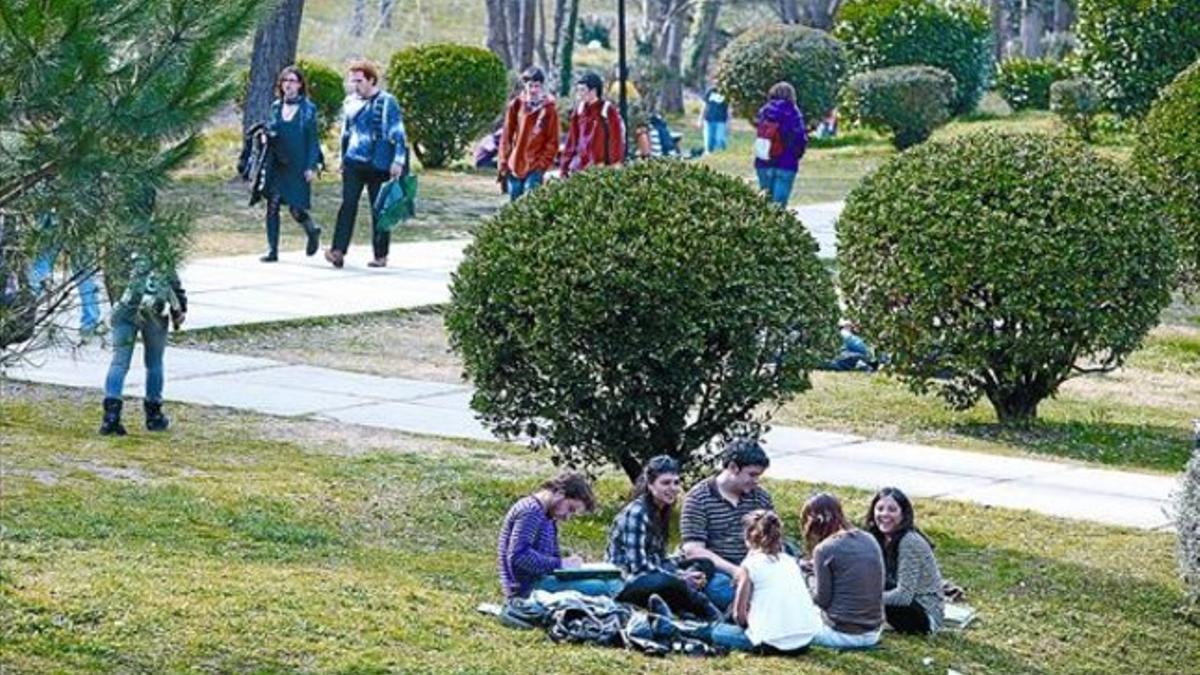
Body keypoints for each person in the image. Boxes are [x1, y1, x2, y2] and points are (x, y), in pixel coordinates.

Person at [606, 455, 721, 620]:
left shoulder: (661, 511)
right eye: (666, 483)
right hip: (627, 580)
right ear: (650, 485)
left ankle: (681, 604)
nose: (673, 488)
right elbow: (639, 567)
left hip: (654, 571)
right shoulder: (638, 513)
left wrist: (682, 572)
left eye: (676, 483)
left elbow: (660, 559)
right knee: (668, 581)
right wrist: (680, 577)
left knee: (705, 564)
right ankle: (704, 609)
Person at [705, 509, 824, 654]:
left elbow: (739, 616)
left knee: (715, 630)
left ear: (748, 536)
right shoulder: (790, 561)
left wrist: (749, 623)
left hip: (769, 642)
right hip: (805, 641)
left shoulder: (749, 565)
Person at [327, 60, 407, 269]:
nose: (356, 85)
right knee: (347, 204)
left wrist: (398, 161)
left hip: (378, 163)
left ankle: (380, 255)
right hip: (354, 162)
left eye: (360, 81)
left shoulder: (388, 102)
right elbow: (346, 132)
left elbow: (398, 133)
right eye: (353, 81)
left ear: (371, 80)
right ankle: (337, 250)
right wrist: (342, 158)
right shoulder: (350, 102)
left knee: (378, 209)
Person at [679, 438, 775, 610]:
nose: (756, 481)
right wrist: (736, 571)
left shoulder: (760, 497)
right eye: (752, 475)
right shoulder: (699, 498)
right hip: (718, 570)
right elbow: (693, 549)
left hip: (755, 565)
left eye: (758, 476)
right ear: (732, 467)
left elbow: (772, 538)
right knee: (720, 588)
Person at [100, 249, 187, 436]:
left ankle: (111, 415)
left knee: (119, 362)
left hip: (125, 308)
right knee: (154, 363)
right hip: (155, 309)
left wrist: (116, 302)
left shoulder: (119, 241)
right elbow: (172, 280)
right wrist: (180, 308)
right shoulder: (160, 243)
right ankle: (154, 414)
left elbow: (110, 277)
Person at [497, 471, 618, 598]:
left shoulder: (548, 516)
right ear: (560, 493)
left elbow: (551, 555)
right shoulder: (531, 511)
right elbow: (519, 556)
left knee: (610, 581)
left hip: (540, 580)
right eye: (570, 509)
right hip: (526, 588)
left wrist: (571, 564)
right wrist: (561, 564)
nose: (567, 517)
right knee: (601, 587)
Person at [801, 492, 885, 649]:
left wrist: (808, 581)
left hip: (841, 635)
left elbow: (822, 600)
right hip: (873, 633)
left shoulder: (823, 549)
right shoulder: (869, 538)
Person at [258, 65, 323, 263]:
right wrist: (264, 136)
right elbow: (271, 128)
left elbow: (313, 140)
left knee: (296, 209)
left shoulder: (308, 109)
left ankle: (312, 230)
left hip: (298, 164)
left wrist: (312, 166)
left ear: (300, 85)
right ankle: (272, 250)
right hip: (278, 163)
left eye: (293, 81)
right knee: (273, 204)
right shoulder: (276, 106)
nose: (288, 85)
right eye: (285, 81)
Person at [865, 487, 944, 634]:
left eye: (892, 510)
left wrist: (865, 598)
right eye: (880, 509)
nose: (884, 514)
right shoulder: (878, 538)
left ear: (903, 514)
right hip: (900, 605)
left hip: (923, 616)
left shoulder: (909, 542)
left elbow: (903, 596)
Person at [29, 213, 102, 334]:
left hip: (52, 218)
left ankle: (24, 317)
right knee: (84, 274)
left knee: (39, 271)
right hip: (79, 219)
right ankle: (89, 324)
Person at [499, 67, 560, 201]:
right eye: (530, 86)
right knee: (514, 201)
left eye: (536, 86)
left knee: (529, 199)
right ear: (525, 85)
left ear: (542, 87)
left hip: (536, 164)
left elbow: (553, 141)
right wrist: (503, 161)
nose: (533, 90)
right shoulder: (516, 105)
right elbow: (507, 136)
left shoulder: (549, 110)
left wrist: (542, 164)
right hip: (515, 163)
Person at [560, 71, 624, 178]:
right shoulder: (579, 110)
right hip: (579, 168)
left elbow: (616, 140)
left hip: (600, 169)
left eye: (583, 90)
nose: (579, 94)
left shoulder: (607, 110)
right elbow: (571, 141)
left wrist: (615, 166)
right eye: (578, 90)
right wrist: (564, 167)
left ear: (593, 91)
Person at [753, 82, 808, 206]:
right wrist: (797, 154)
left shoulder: (764, 112)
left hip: (764, 161)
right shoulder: (793, 112)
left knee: (764, 203)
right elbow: (799, 138)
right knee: (779, 206)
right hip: (786, 162)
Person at [698, 86, 731, 154]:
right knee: (709, 141)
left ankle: (718, 154)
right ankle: (708, 153)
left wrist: (728, 123)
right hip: (708, 120)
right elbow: (704, 106)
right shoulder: (710, 91)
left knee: (719, 140)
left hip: (721, 121)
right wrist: (700, 119)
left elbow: (729, 109)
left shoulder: (726, 92)